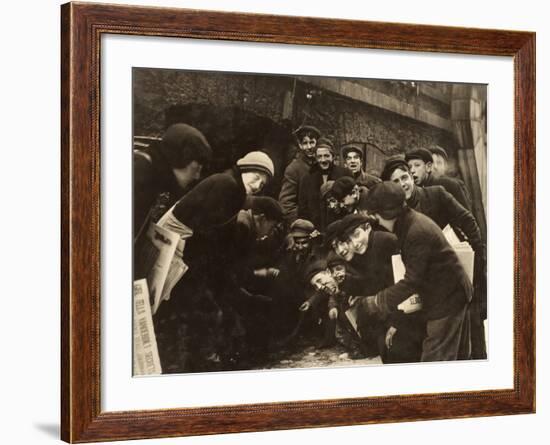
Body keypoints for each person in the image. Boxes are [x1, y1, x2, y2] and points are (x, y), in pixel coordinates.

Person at [152, 150, 275, 372]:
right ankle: (195, 362)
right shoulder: (226, 185)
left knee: (201, 305)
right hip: (175, 248)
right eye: (256, 177)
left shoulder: (233, 189)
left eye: (262, 183)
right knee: (198, 308)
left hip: (184, 248)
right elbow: (205, 231)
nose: (257, 185)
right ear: (244, 169)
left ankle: (196, 360)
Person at [352, 182, 473, 362]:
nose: (374, 218)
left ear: (383, 214)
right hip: (446, 293)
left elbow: (412, 282)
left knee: (435, 361)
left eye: (375, 214)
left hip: (448, 299)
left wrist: (378, 301)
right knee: (455, 359)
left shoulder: (416, 231)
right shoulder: (407, 222)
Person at [381, 157, 486, 359]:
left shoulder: (436, 195)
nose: (403, 184)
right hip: (424, 288)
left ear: (412, 177)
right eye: (395, 182)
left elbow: (468, 220)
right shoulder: (393, 216)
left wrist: (476, 257)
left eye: (405, 177)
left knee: (468, 336)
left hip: (456, 275)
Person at [133, 123, 212, 241]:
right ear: (179, 159)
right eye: (196, 169)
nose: (197, 176)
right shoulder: (140, 175)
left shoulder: (148, 173)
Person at [298, 138, 352, 230]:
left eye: (326, 156)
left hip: (339, 229)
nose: (323, 160)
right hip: (315, 231)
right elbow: (303, 210)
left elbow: (352, 203)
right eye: (319, 156)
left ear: (333, 156)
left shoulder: (345, 175)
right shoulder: (307, 179)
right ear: (315, 158)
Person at [405, 147, 472, 211]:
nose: (435, 167)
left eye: (417, 165)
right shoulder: (413, 191)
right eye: (409, 167)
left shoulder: (451, 185)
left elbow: (466, 215)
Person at [279, 125, 321, 223]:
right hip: (304, 222)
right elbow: (286, 204)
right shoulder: (293, 169)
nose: (309, 147)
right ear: (299, 145)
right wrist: (302, 224)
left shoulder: (322, 164)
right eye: (305, 143)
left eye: (312, 142)